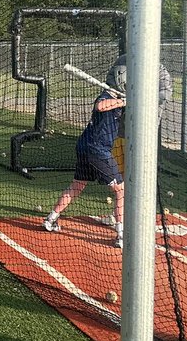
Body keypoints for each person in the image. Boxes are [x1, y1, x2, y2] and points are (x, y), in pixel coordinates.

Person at [43, 64, 128, 247]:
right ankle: (120, 235)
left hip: (86, 147)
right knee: (121, 191)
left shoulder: (118, 96)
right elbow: (100, 106)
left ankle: (51, 219)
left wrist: (126, 101)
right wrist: (123, 102)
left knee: (77, 186)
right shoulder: (107, 96)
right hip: (97, 150)